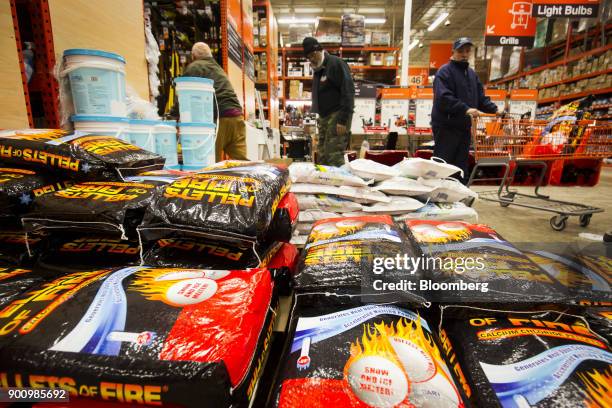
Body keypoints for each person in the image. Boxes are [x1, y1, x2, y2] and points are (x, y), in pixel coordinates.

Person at [431, 37, 498, 184]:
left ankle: (459, 197)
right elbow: (443, 98)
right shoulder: (444, 72)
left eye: (467, 51)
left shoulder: (472, 74)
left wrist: (495, 110)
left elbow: (480, 98)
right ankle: (439, 196)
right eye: (461, 51)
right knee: (444, 164)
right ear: (453, 51)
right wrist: (466, 109)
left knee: (461, 165)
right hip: (446, 127)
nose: (464, 54)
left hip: (464, 127)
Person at [182, 42, 247, 161]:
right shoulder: (218, 68)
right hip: (237, 118)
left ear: (193, 56)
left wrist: (173, 113)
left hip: (219, 119)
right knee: (241, 162)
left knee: (211, 162)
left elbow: (184, 93)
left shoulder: (195, 66)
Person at [303, 37, 355, 167]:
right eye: (308, 58)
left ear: (317, 51)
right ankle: (325, 185)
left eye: (311, 56)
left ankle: (338, 185)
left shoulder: (336, 64)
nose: (311, 60)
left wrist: (343, 119)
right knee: (322, 154)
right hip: (324, 117)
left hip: (338, 115)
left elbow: (348, 91)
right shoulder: (318, 70)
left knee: (333, 154)